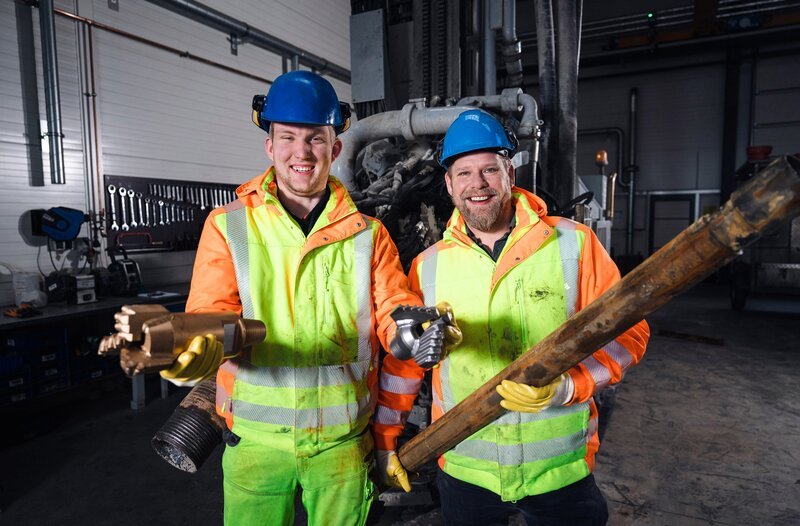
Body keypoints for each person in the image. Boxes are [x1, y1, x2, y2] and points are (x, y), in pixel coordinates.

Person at [160, 70, 445, 526]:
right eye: (288, 138)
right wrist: (199, 346)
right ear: (269, 146)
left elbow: (393, 307)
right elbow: (211, 313)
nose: (302, 152)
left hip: (341, 445)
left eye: (315, 138)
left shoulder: (369, 235)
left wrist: (410, 331)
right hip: (255, 442)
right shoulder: (229, 225)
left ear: (336, 148)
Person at [373, 109, 650, 525]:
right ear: (449, 185)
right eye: (464, 174)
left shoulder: (574, 244)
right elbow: (405, 366)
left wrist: (568, 386)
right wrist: (385, 439)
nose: (478, 184)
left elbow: (628, 335)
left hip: (559, 469)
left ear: (509, 174)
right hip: (466, 467)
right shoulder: (427, 266)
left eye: (489, 170)